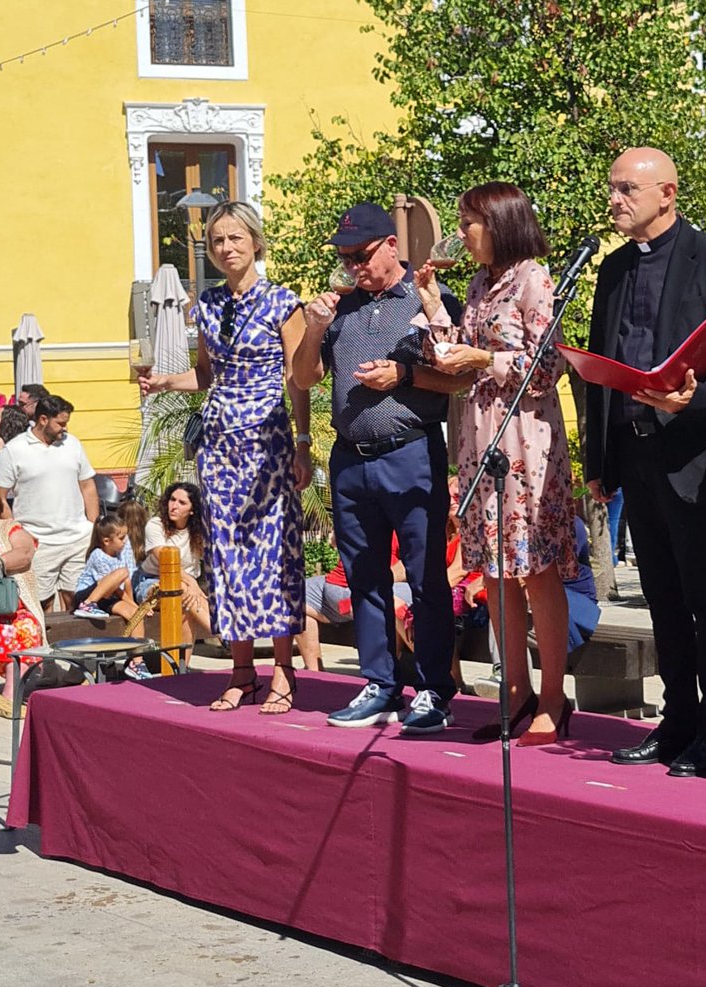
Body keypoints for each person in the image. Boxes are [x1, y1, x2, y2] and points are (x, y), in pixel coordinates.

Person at [585, 147, 706, 778]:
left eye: (627, 189)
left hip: (692, 451)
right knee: (658, 596)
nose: (615, 200)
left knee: (702, 597)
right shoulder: (611, 271)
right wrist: (598, 459)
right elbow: (602, 373)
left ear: (668, 192)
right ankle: (676, 720)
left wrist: (697, 400)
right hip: (634, 450)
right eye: (612, 189)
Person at [293, 202, 467, 735]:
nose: (353, 267)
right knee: (364, 575)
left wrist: (404, 375)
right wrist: (314, 327)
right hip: (350, 460)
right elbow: (302, 378)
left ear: (392, 245)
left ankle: (435, 689)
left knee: (425, 577)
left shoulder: (428, 299)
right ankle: (380, 684)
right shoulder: (338, 309)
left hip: (412, 452)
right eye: (345, 259)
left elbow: (458, 376)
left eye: (361, 255)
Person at [416, 182, 579, 746]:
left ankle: (555, 696)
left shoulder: (533, 277)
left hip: (526, 437)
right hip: (480, 433)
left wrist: (485, 357)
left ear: (501, 222)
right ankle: (516, 691)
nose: (462, 235)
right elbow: (453, 358)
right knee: (494, 569)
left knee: (534, 569)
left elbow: (548, 365)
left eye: (469, 224)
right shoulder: (479, 282)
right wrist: (435, 304)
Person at [140, 203, 311, 715]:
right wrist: (169, 381)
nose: (226, 248)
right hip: (219, 446)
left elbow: (300, 377)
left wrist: (303, 441)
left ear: (256, 243)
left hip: (268, 442)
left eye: (235, 238)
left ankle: (284, 670)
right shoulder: (207, 305)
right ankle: (242, 671)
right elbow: (207, 374)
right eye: (217, 241)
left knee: (273, 553)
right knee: (228, 557)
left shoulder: (284, 303)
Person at [0, 394, 97, 613]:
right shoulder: (15, 449)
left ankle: (73, 648)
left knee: (78, 600)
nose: (64, 429)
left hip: (77, 538)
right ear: (42, 420)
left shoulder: (73, 444)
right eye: (60, 423)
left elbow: (87, 486)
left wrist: (93, 526)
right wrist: (16, 532)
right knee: (41, 604)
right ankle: (47, 647)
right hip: (39, 542)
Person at [0, 481, 42, 707]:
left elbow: (25, 553)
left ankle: (10, 696)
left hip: (11, 607)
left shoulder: (9, 528)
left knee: (27, 628)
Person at [71, 514, 152, 680]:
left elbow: (123, 589)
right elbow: (109, 589)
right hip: (90, 594)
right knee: (123, 573)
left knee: (136, 615)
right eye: (121, 538)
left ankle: (137, 662)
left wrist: (137, 608)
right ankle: (88, 604)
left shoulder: (118, 556)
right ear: (107, 541)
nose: (125, 542)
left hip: (106, 599)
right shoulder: (98, 555)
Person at [136, 483, 213, 650]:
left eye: (182, 503)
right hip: (151, 583)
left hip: (186, 588)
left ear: (192, 510)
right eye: (172, 500)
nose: (174, 506)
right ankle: (220, 634)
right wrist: (192, 584)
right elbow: (166, 561)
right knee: (183, 590)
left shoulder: (198, 531)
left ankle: (182, 670)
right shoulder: (155, 525)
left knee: (187, 606)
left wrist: (191, 585)